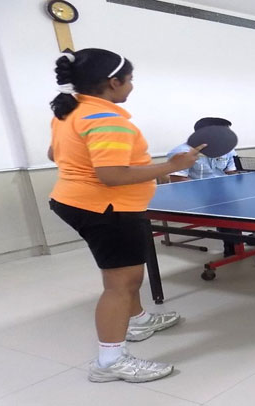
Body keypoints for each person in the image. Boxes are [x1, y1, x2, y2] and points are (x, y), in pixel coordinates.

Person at [47, 49, 202, 383]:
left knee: (122, 275)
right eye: (129, 79)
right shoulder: (106, 119)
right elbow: (112, 176)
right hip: (107, 209)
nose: (131, 86)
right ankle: (109, 362)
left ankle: (139, 319)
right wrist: (172, 166)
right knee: (122, 283)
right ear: (113, 82)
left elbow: (54, 153)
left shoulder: (71, 111)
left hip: (75, 201)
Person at [167, 117, 240, 182]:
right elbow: (178, 180)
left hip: (223, 188)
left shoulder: (228, 149)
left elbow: (231, 172)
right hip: (194, 192)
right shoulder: (182, 152)